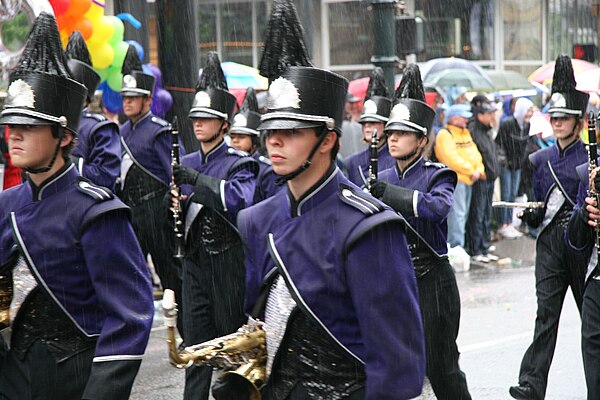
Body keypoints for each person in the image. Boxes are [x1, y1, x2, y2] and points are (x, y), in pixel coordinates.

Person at [234, 1, 425, 398]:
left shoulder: (369, 228)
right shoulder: (255, 220)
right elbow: (259, 330)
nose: (273, 141)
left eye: (291, 131)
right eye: (270, 130)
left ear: (328, 140)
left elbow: (396, 364)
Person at [0, 13, 153, 399]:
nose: (13, 134)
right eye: (10, 123)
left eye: (30, 125)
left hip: (75, 381)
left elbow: (128, 318)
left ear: (65, 136)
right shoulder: (4, 205)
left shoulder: (97, 213)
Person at [370, 64, 471, 399]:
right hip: (393, 280)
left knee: (442, 368)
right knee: (393, 365)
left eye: (403, 133)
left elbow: (436, 208)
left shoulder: (437, 175)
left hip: (432, 282)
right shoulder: (380, 177)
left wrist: (388, 196)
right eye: (391, 132)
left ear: (423, 139)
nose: (393, 138)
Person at [171, 51, 258, 400]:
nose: (198, 124)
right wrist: (174, 205)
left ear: (224, 124)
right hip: (193, 263)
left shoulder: (239, 163)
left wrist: (196, 181)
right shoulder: (186, 160)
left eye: (206, 118)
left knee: (229, 346)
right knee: (194, 346)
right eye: (195, 117)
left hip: (227, 263)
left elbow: (237, 199)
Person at [509, 54, 590, 400]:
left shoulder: (591, 159)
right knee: (546, 318)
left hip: (583, 245)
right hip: (549, 247)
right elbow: (536, 209)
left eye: (564, 118)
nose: (556, 123)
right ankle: (531, 384)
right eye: (553, 116)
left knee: (593, 325)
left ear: (579, 121)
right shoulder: (537, 161)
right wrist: (527, 214)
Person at [118, 45, 184, 300]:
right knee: (130, 276)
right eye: (125, 97)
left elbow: (175, 172)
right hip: (131, 211)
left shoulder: (159, 130)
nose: (127, 102)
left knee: (170, 276)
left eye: (133, 97)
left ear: (147, 100)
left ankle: (185, 332)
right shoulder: (121, 132)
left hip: (156, 211)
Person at [65, 31, 121, 191]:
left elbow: (105, 176)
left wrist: (64, 164)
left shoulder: (100, 128)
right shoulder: (49, 123)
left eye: (71, 89)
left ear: (85, 96)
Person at [567, 158, 600, 400]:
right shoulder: (591, 173)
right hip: (596, 281)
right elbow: (575, 242)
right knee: (594, 366)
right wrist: (586, 212)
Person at [434, 103, 485, 250]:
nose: (466, 120)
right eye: (463, 117)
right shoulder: (445, 134)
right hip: (457, 182)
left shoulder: (465, 132)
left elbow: (475, 153)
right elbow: (450, 158)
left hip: (470, 180)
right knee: (457, 216)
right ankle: (455, 248)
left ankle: (460, 247)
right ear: (454, 118)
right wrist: (471, 170)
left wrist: (479, 169)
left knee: (464, 215)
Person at [344, 67, 395, 188]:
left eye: (373, 122)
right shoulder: (352, 163)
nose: (367, 126)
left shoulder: (398, 162)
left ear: (385, 125)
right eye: (364, 122)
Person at [228, 87, 280, 202]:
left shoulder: (267, 171)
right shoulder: (226, 164)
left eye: (241, 137)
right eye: (232, 137)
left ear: (255, 141)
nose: (235, 141)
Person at [466, 94, 500, 262]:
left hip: (490, 178)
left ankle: (484, 246)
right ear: (480, 115)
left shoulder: (486, 130)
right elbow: (474, 155)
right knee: (477, 215)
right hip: (480, 179)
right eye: (489, 114)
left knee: (486, 214)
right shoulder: (474, 129)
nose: (492, 117)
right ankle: (475, 249)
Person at [495, 97, 534, 239]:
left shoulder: (527, 126)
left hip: (518, 165)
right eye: (528, 111)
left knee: (512, 195)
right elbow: (499, 143)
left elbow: (525, 146)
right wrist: (505, 161)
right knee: (505, 195)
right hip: (506, 165)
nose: (529, 114)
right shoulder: (507, 124)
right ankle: (502, 224)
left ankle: (510, 223)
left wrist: (521, 161)